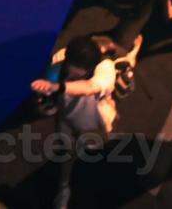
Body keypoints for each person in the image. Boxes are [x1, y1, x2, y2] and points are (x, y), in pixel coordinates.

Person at [29, 34, 122, 209]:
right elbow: (47, 104)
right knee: (67, 152)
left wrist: (58, 87)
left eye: (80, 71)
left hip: (95, 119)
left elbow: (89, 88)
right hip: (67, 120)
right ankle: (64, 188)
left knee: (99, 149)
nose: (72, 74)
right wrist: (45, 103)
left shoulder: (105, 69)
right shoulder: (59, 59)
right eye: (71, 67)